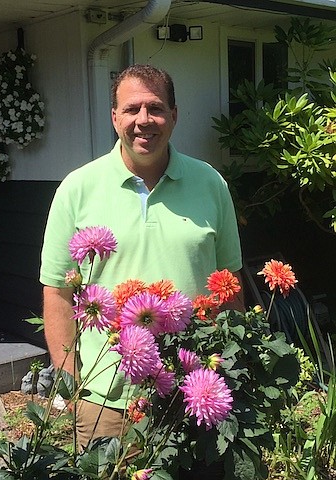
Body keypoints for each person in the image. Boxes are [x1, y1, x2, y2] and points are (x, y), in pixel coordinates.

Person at [39, 64, 243, 450]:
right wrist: (72, 387)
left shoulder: (211, 184)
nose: (143, 120)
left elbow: (229, 284)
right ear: (114, 117)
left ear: (175, 115)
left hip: (194, 393)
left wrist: (231, 368)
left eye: (156, 108)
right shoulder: (77, 189)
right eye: (132, 109)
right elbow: (57, 291)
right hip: (107, 403)